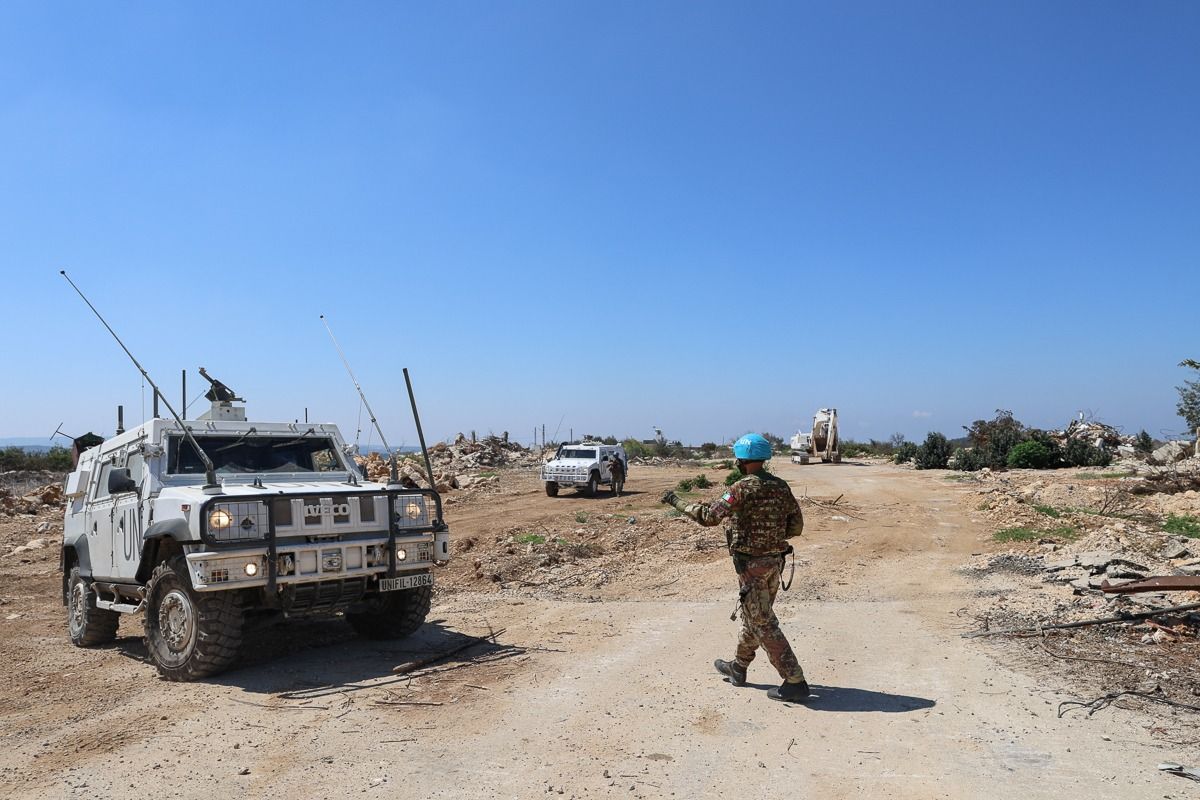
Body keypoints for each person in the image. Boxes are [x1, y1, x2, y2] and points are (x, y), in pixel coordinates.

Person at [660, 433, 808, 702]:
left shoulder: (740, 488)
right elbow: (796, 526)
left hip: (751, 566)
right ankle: (738, 668)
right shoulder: (780, 486)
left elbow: (708, 517)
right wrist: (772, 536)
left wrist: (676, 502)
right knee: (754, 616)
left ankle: (794, 680)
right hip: (775, 563)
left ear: (742, 460)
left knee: (762, 621)